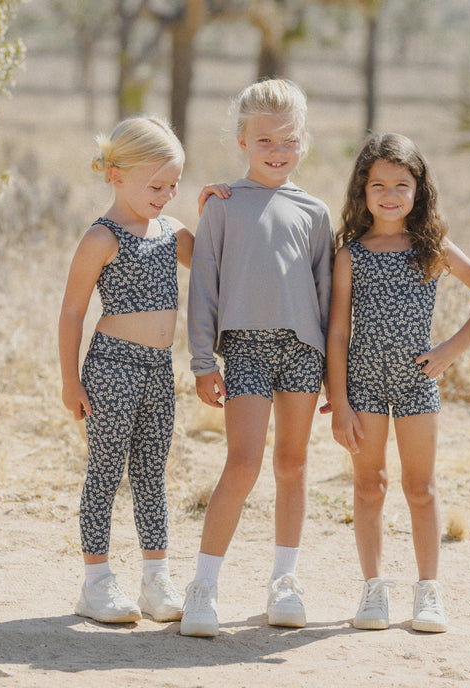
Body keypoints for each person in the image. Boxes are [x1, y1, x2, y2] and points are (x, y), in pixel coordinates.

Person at [326, 133, 470, 633]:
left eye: (401, 185)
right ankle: (373, 590)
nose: (389, 195)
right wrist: (339, 400)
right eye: (378, 185)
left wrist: (450, 350)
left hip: (416, 385)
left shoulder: (432, 248)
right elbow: (337, 332)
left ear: (418, 189)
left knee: (420, 487)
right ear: (362, 191)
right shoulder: (351, 254)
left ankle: (428, 592)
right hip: (362, 385)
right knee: (370, 486)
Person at [181, 78, 334, 637]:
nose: (277, 150)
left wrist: (334, 377)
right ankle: (203, 586)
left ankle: (284, 581)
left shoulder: (316, 212)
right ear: (242, 140)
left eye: (289, 140)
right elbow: (203, 284)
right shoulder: (222, 206)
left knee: (292, 464)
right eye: (265, 140)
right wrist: (202, 360)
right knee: (243, 464)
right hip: (244, 347)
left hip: (303, 352)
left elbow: (328, 299)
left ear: (303, 142)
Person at [58, 116, 194, 624]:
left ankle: (156, 580)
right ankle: (95, 583)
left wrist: (221, 204)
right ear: (116, 175)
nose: (167, 195)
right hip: (112, 369)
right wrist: (70, 380)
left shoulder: (173, 232)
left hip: (160, 371)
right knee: (105, 472)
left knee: (152, 474)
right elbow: (72, 312)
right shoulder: (102, 237)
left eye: (174, 185)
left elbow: (217, 262)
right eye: (156, 186)